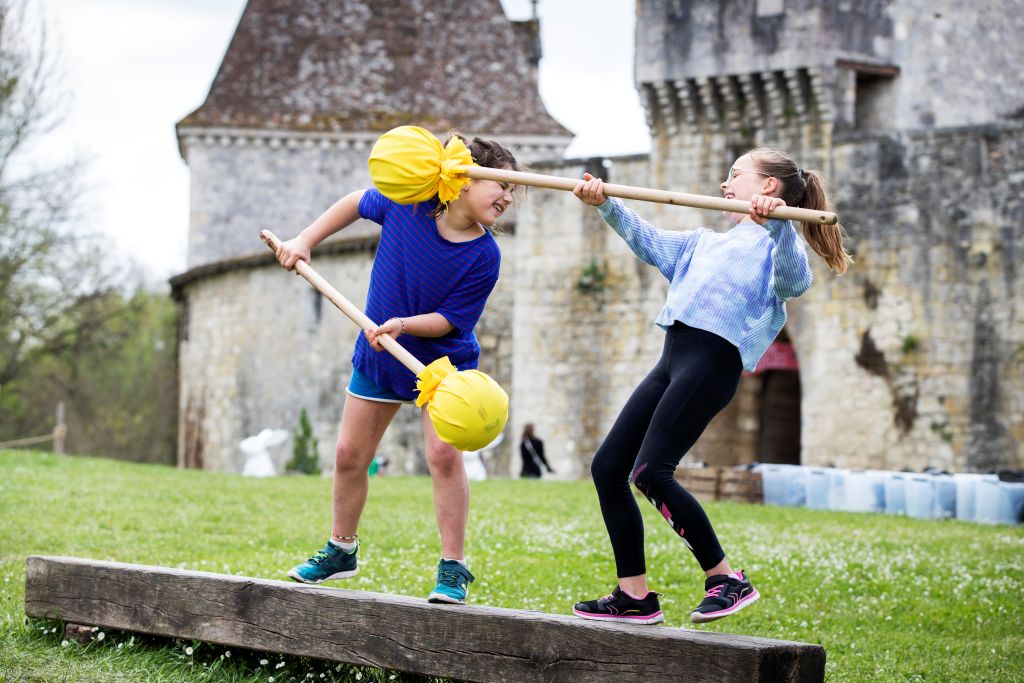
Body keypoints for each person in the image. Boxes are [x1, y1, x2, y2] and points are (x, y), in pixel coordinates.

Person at [570, 148, 852, 625]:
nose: (725, 185)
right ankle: (633, 596)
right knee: (608, 468)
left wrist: (781, 224)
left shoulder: (777, 248)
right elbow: (649, 240)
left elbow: (793, 282)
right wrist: (606, 205)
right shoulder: (704, 242)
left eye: (735, 176)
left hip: (712, 363)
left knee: (651, 473)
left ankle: (727, 579)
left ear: (768, 188)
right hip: (673, 358)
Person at [275, 133, 520, 605]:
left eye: (513, 190)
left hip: (444, 367)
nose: (508, 197)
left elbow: (452, 320)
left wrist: (403, 324)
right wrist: (304, 240)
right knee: (349, 455)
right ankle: (340, 549)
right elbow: (355, 202)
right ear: (463, 180)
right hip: (380, 357)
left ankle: (453, 567)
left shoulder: (484, 254)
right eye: (500, 185)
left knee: (444, 459)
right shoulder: (409, 203)